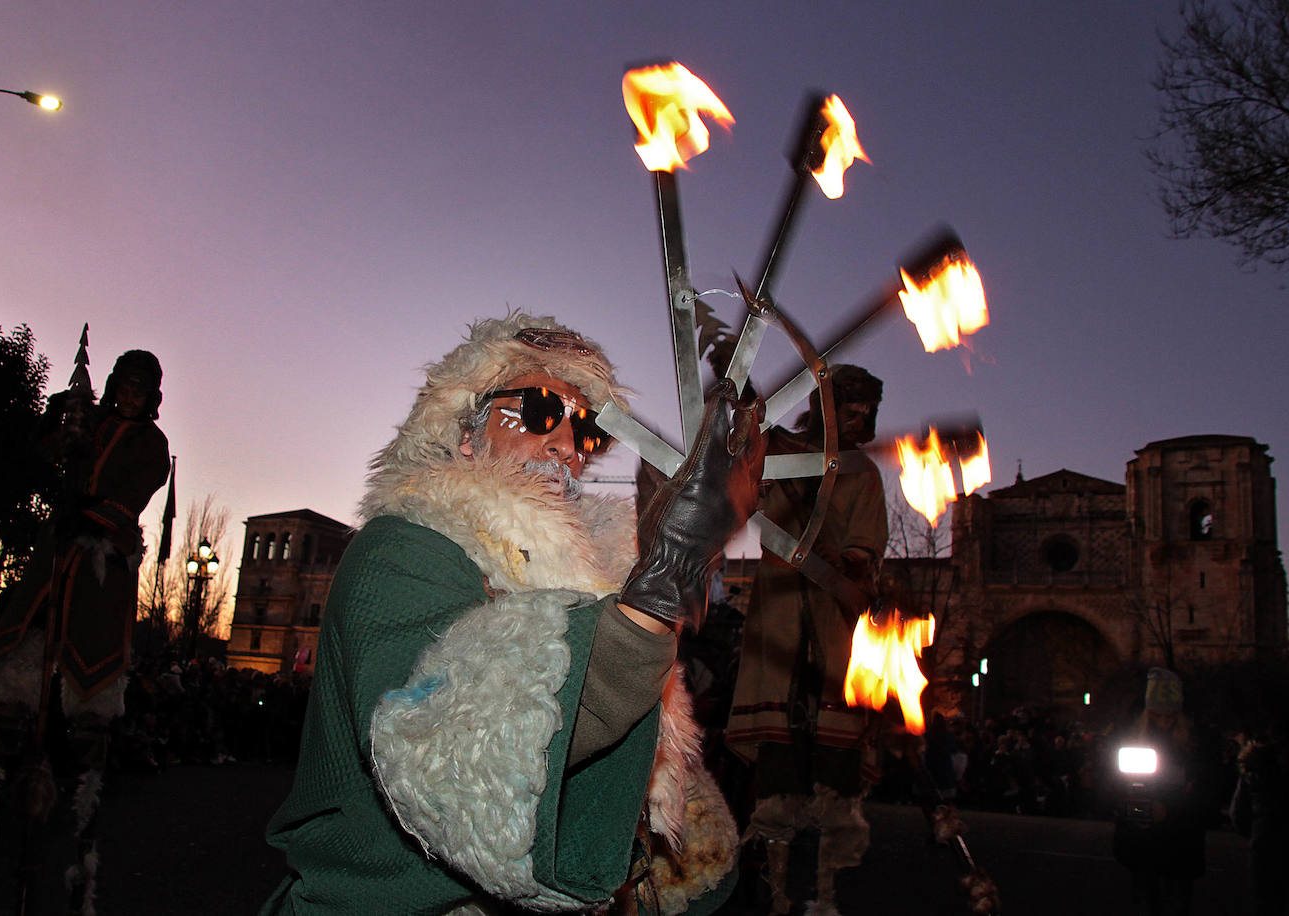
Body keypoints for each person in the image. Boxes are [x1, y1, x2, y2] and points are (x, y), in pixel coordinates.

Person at [262, 313, 766, 915]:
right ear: (466, 434)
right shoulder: (405, 548)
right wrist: (664, 577)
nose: (566, 444)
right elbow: (454, 749)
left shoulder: (578, 574)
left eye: (584, 427)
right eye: (536, 411)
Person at [0, 350, 170, 912]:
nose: (130, 394)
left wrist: (90, 512)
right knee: (18, 642)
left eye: (141, 387)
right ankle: (5, 756)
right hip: (56, 553)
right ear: (112, 385)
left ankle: (82, 768)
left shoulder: (151, 445)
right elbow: (41, 463)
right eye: (124, 384)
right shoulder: (93, 422)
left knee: (93, 674)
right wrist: (56, 424)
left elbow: (129, 499)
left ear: (152, 394)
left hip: (101, 563)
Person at [724, 365, 887, 916]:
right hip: (778, 620)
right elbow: (749, 483)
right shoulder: (783, 452)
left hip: (835, 627)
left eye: (867, 408)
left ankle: (824, 895)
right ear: (823, 405)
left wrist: (850, 568)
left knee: (834, 771)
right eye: (849, 403)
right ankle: (776, 896)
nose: (859, 416)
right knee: (778, 770)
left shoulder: (862, 471)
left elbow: (865, 546)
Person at [1111, 668, 1210, 916]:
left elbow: (1207, 792)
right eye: (1157, 716)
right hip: (1142, 845)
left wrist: (1170, 810)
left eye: (1170, 716)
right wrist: (1131, 808)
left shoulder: (1195, 744)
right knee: (1146, 901)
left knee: (1176, 902)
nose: (1165, 722)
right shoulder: (1131, 738)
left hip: (1180, 843)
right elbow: (1115, 790)